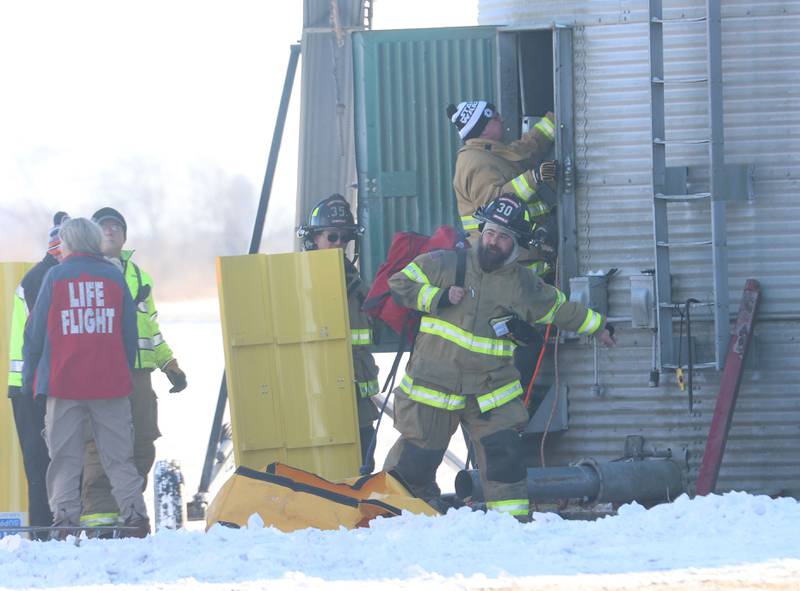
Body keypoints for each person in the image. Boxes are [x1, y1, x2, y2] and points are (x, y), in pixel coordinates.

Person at [383, 194, 615, 519]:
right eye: (490, 232)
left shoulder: (523, 285)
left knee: (505, 460)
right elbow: (399, 284)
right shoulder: (445, 264)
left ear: (516, 245)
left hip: (491, 392)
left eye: (504, 237)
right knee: (415, 463)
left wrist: (598, 326)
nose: (493, 242)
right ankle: (393, 517)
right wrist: (437, 297)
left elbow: (559, 308)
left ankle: (512, 528)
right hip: (434, 387)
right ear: (482, 230)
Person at [21, 217, 149, 537]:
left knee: (64, 456)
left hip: (64, 384)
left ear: (71, 242)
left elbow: (34, 334)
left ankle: (65, 520)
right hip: (110, 384)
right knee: (118, 455)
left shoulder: (55, 277)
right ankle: (134, 516)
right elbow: (128, 336)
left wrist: (29, 380)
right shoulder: (114, 277)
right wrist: (122, 372)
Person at [78, 207, 187, 529]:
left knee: (142, 441)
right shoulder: (82, 273)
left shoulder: (140, 277)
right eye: (104, 227)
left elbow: (150, 328)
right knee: (99, 446)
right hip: (99, 376)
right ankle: (99, 519)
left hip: (139, 376)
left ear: (125, 236)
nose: (110, 231)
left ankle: (129, 513)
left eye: (116, 227)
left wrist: (169, 363)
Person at [297, 194, 380, 468]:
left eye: (345, 238)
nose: (339, 244)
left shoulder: (356, 285)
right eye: (332, 236)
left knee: (364, 459)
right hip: (318, 399)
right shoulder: (297, 284)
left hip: (358, 404)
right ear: (314, 239)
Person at [6, 212, 68, 536]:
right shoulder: (45, 280)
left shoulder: (37, 277)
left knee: (40, 464)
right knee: (44, 464)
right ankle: (46, 533)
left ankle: (46, 532)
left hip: (27, 385)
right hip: (34, 387)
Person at [447, 100, 557, 277]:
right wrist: (534, 177)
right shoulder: (476, 162)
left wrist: (557, 116)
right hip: (512, 260)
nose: (503, 119)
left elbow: (528, 148)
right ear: (483, 129)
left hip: (524, 252)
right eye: (496, 117)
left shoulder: (490, 153)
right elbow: (494, 206)